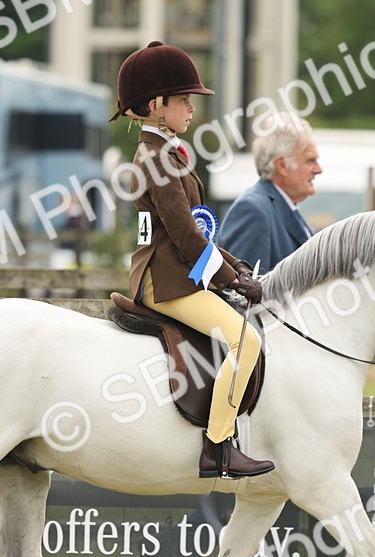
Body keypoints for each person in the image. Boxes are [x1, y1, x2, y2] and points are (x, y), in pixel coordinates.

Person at [112, 41, 274, 480]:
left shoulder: (167, 152)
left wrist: (235, 263)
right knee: (248, 342)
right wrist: (228, 281)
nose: (191, 109)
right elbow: (184, 236)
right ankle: (218, 447)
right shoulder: (156, 157)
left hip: (176, 271)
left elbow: (193, 230)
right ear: (156, 105)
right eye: (184, 100)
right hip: (166, 281)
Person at [219, 114, 322, 276]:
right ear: (282, 165)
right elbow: (244, 295)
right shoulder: (253, 210)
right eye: (310, 160)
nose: (318, 169)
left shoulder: (282, 206)